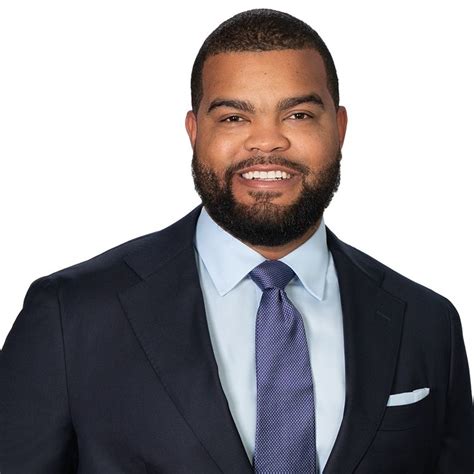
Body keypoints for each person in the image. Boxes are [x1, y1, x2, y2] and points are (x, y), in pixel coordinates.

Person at [0, 8, 472, 473]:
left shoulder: (428, 324)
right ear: (194, 131)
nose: (266, 142)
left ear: (339, 127)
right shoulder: (71, 316)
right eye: (233, 118)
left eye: (298, 114)